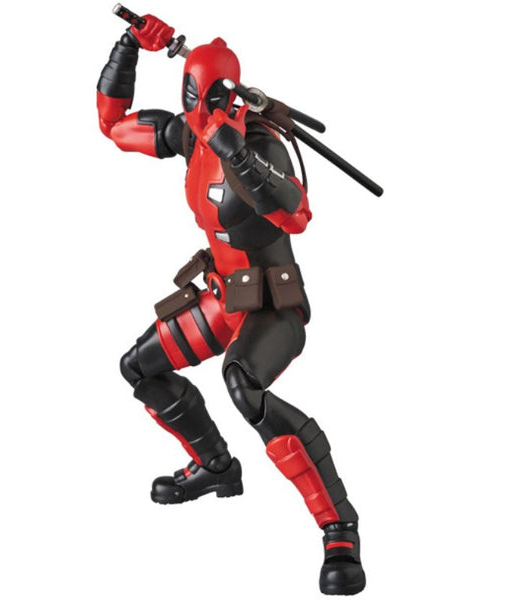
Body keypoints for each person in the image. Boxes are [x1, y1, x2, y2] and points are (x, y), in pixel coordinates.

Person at [97, 14, 366, 595]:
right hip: (223, 298)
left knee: (243, 385)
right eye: (189, 98)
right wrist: (128, 47)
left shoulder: (261, 141)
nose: (197, 109)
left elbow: (296, 213)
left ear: (227, 94)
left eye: (207, 99)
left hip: (272, 304)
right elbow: (114, 126)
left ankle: (338, 528)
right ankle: (215, 467)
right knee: (140, 367)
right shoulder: (188, 136)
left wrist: (238, 153)